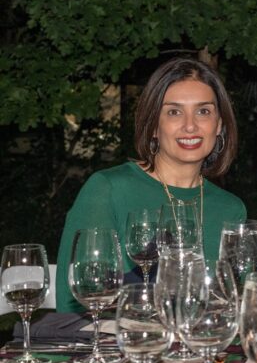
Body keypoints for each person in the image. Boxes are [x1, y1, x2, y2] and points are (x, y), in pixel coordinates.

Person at [55, 57, 247, 312]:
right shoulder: (108, 189)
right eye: (174, 112)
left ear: (219, 125)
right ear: (154, 126)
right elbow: (73, 306)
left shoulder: (231, 210)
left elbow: (241, 306)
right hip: (124, 347)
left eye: (203, 111)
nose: (190, 125)